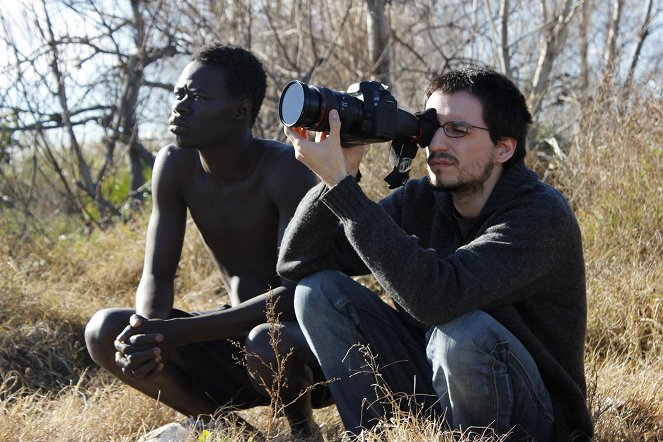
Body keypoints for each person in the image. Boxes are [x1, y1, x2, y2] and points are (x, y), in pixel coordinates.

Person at [277, 67, 593, 441]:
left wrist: (343, 190)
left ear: (503, 148)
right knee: (318, 292)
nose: (437, 144)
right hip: (440, 390)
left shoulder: (541, 215)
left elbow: (438, 299)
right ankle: (377, 435)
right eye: (430, 128)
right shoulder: (422, 199)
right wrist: (337, 177)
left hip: (538, 418)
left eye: (457, 130)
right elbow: (297, 262)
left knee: (461, 332)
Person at [84, 43, 329, 439]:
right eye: (179, 94)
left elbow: (294, 293)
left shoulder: (285, 168)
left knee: (266, 340)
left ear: (240, 109)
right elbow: (157, 275)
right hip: (230, 338)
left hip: (301, 348)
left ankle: (303, 430)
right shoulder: (175, 165)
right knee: (103, 330)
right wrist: (147, 331)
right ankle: (231, 429)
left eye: (196, 97)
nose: (179, 106)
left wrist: (180, 334)